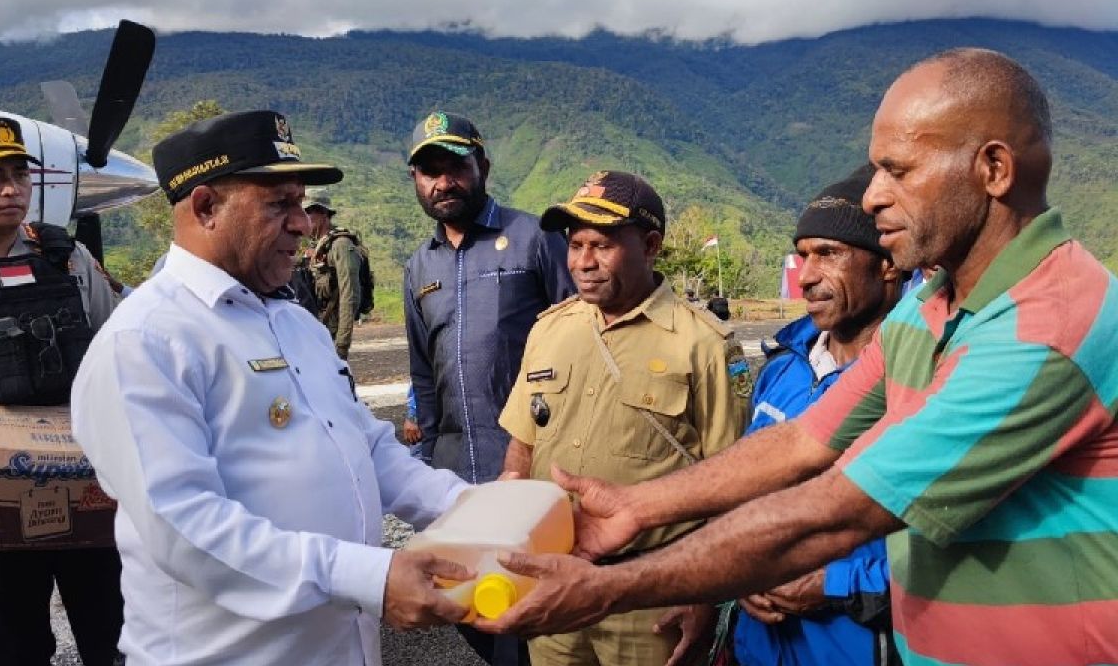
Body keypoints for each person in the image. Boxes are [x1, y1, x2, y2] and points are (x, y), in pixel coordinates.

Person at [475, 49, 1118, 666]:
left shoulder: (1048, 325)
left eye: (899, 170)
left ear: (994, 169)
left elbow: (840, 511)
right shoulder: (936, 307)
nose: (871, 197)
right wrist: (639, 506)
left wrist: (613, 588)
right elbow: (804, 440)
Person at [71, 110, 472, 666]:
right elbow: (186, 531)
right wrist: (369, 577)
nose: (303, 224)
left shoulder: (295, 324)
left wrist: (468, 507)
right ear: (206, 207)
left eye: (301, 204)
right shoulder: (147, 341)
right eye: (278, 205)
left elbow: (368, 446)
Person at [498, 170, 749, 666]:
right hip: (556, 580)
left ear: (650, 244)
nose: (583, 263)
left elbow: (734, 483)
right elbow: (524, 442)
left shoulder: (704, 344)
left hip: (650, 597)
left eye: (602, 245)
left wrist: (706, 593)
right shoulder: (550, 329)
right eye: (575, 245)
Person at [0, 116, 124, 665]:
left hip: (89, 493)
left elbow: (124, 361)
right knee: (15, 653)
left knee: (122, 644)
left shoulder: (67, 260)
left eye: (19, 175)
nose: (11, 189)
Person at [403, 110, 575, 666]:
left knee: (538, 617)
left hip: (532, 465)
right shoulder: (418, 267)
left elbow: (580, 342)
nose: (443, 182)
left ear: (483, 166)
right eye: (428, 171)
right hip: (455, 473)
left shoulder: (535, 238)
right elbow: (423, 373)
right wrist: (427, 457)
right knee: (472, 606)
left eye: (454, 166)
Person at [734, 164, 904, 666]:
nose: (806, 277)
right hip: (759, 647)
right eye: (803, 256)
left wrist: (831, 585)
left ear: (888, 265)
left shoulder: (922, 381)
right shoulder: (780, 369)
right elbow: (743, 494)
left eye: (829, 255)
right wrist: (737, 569)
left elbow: (953, 550)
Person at [299, 188, 363, 359]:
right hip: (315, 330)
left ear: (323, 213)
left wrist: (341, 346)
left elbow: (349, 295)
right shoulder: (318, 247)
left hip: (331, 336)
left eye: (308, 212)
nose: (303, 219)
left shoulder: (341, 245)